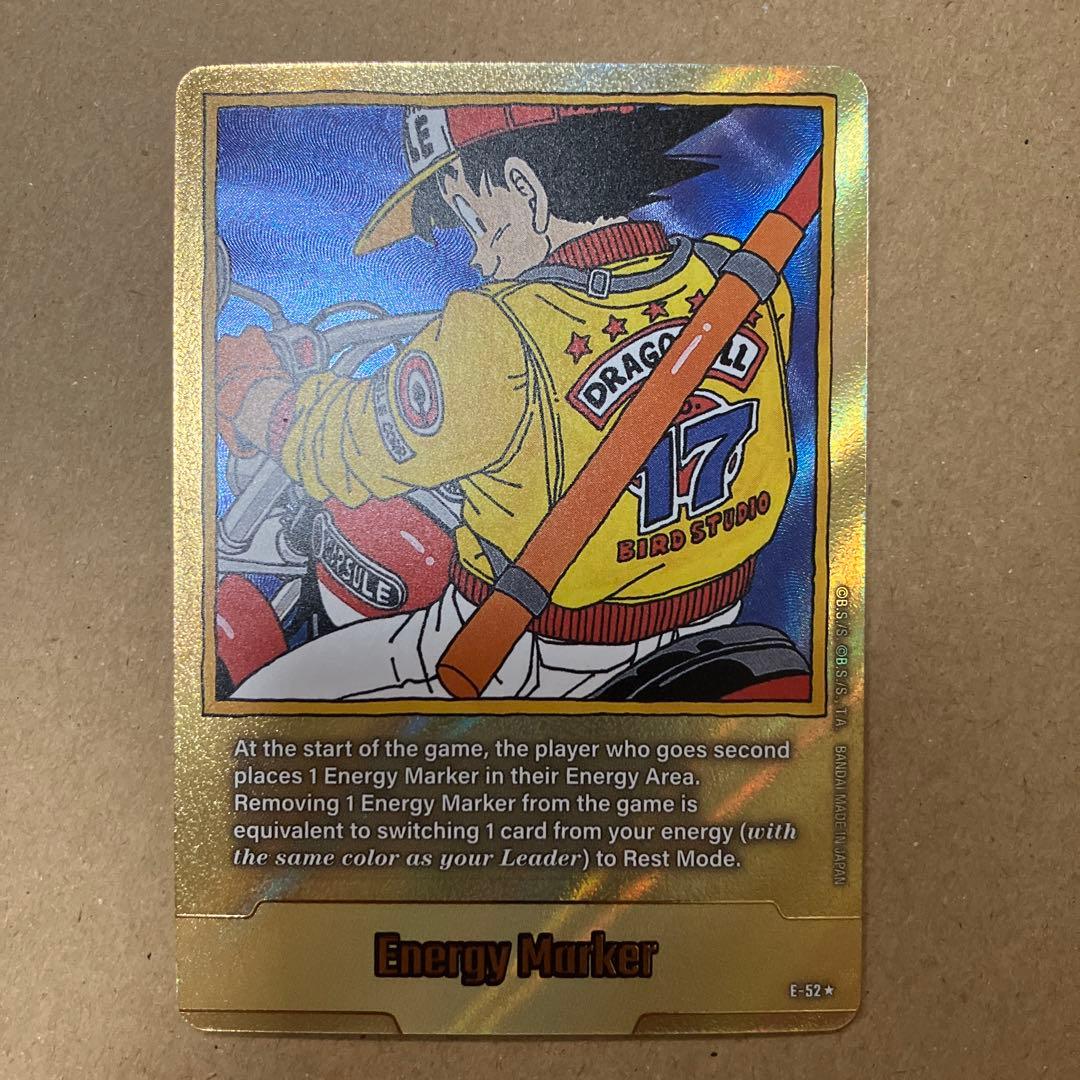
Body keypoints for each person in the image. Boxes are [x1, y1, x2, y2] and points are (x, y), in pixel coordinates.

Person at [217, 103, 798, 700]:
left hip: (525, 652)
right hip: (716, 617)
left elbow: (346, 446)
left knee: (263, 700)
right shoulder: (740, 279)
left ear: (525, 189)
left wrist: (253, 393)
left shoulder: (496, 331)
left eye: (471, 215)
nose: (474, 255)